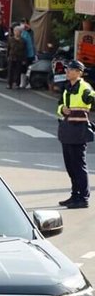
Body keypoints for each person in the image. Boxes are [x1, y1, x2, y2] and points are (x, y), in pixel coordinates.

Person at [57, 60, 94, 209]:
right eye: (67, 69)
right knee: (70, 166)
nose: (67, 71)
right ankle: (75, 195)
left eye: (71, 69)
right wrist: (62, 109)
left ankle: (83, 198)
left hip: (79, 132)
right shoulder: (67, 88)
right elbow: (60, 105)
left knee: (79, 166)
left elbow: (91, 97)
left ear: (79, 72)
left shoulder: (85, 88)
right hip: (67, 131)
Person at [6, 24, 27, 90]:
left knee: (18, 71)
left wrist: (24, 59)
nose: (16, 32)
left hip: (19, 57)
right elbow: (8, 48)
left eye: (18, 31)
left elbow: (24, 50)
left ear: (20, 32)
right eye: (15, 31)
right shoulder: (10, 39)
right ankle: (9, 84)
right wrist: (7, 56)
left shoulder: (23, 41)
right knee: (10, 71)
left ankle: (17, 83)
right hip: (12, 56)